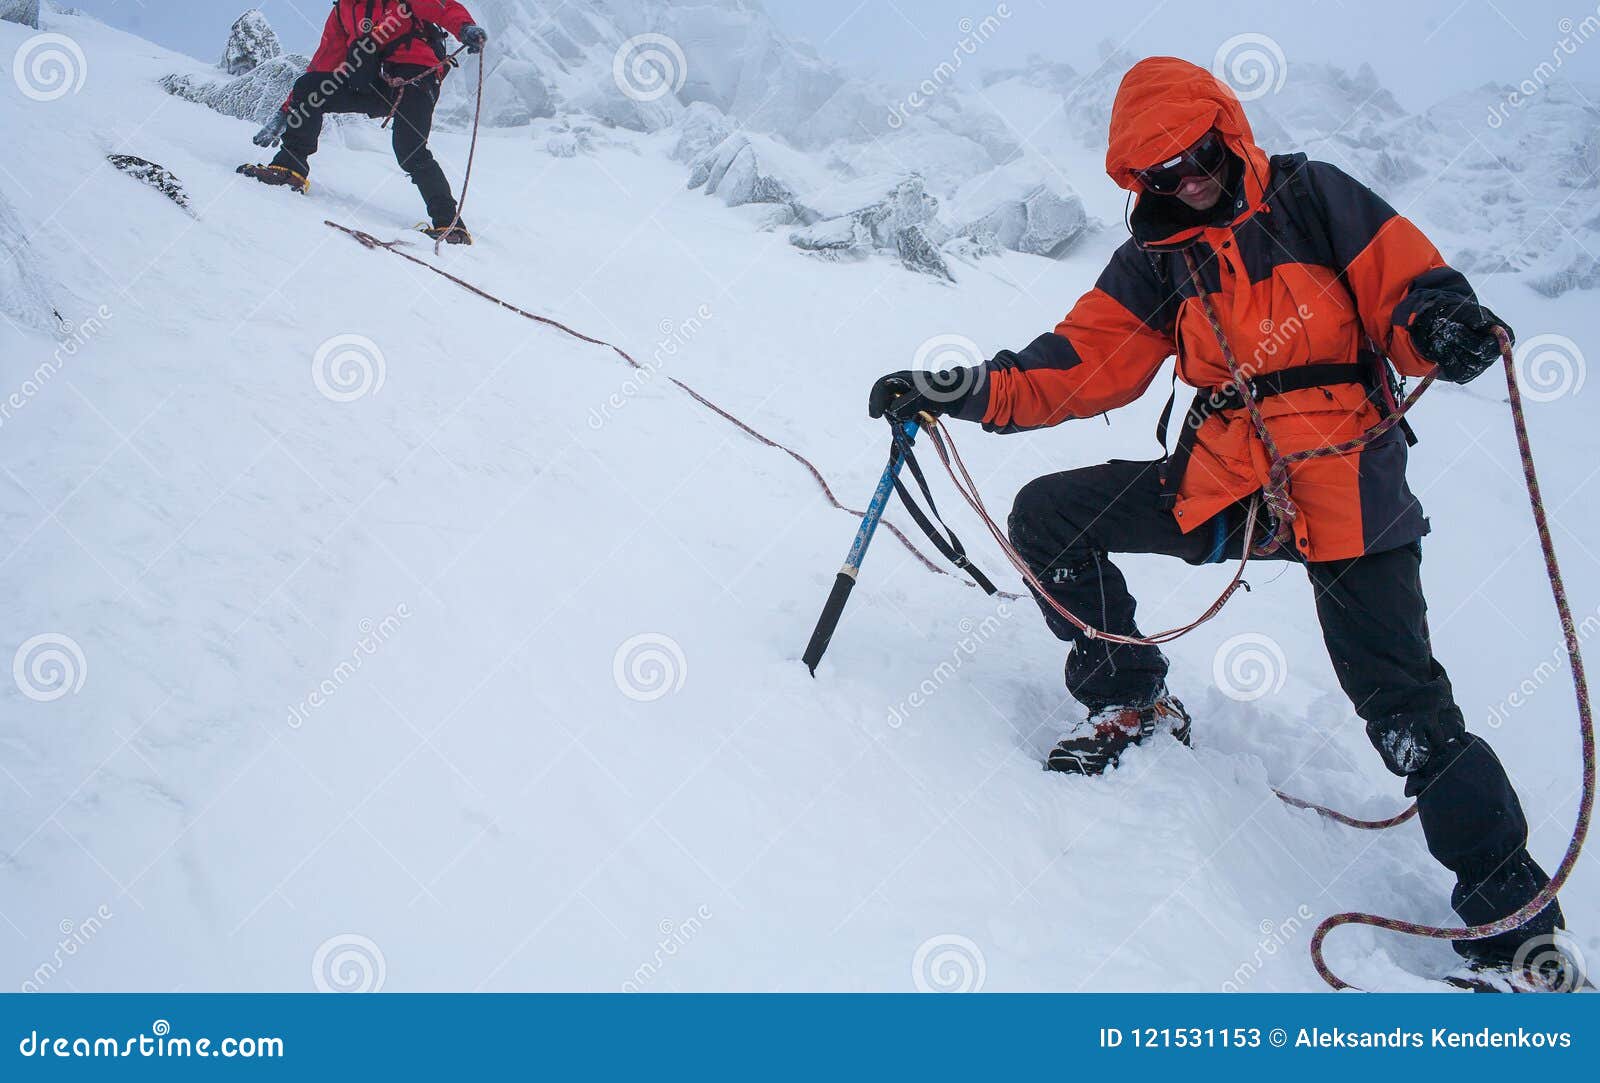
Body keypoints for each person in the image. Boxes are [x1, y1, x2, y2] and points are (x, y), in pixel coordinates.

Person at [868, 56, 1562, 973]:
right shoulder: (1159, 257)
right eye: (1160, 174)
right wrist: (962, 387)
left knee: (1408, 713)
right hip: (1233, 490)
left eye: (1196, 157)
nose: (1185, 182)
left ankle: (1518, 933)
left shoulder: (1315, 198)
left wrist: (1438, 325)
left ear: (1226, 135)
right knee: (1049, 515)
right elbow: (1082, 358)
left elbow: (1406, 284)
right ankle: (1129, 698)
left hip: (1351, 496)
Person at [237, 0, 487, 245]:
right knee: (309, 86)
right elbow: (323, 63)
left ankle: (450, 226)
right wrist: (288, 110)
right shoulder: (343, 11)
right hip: (377, 83)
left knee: (410, 151)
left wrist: (465, 28)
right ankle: (289, 170)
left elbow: (441, 7)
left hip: (417, 78)